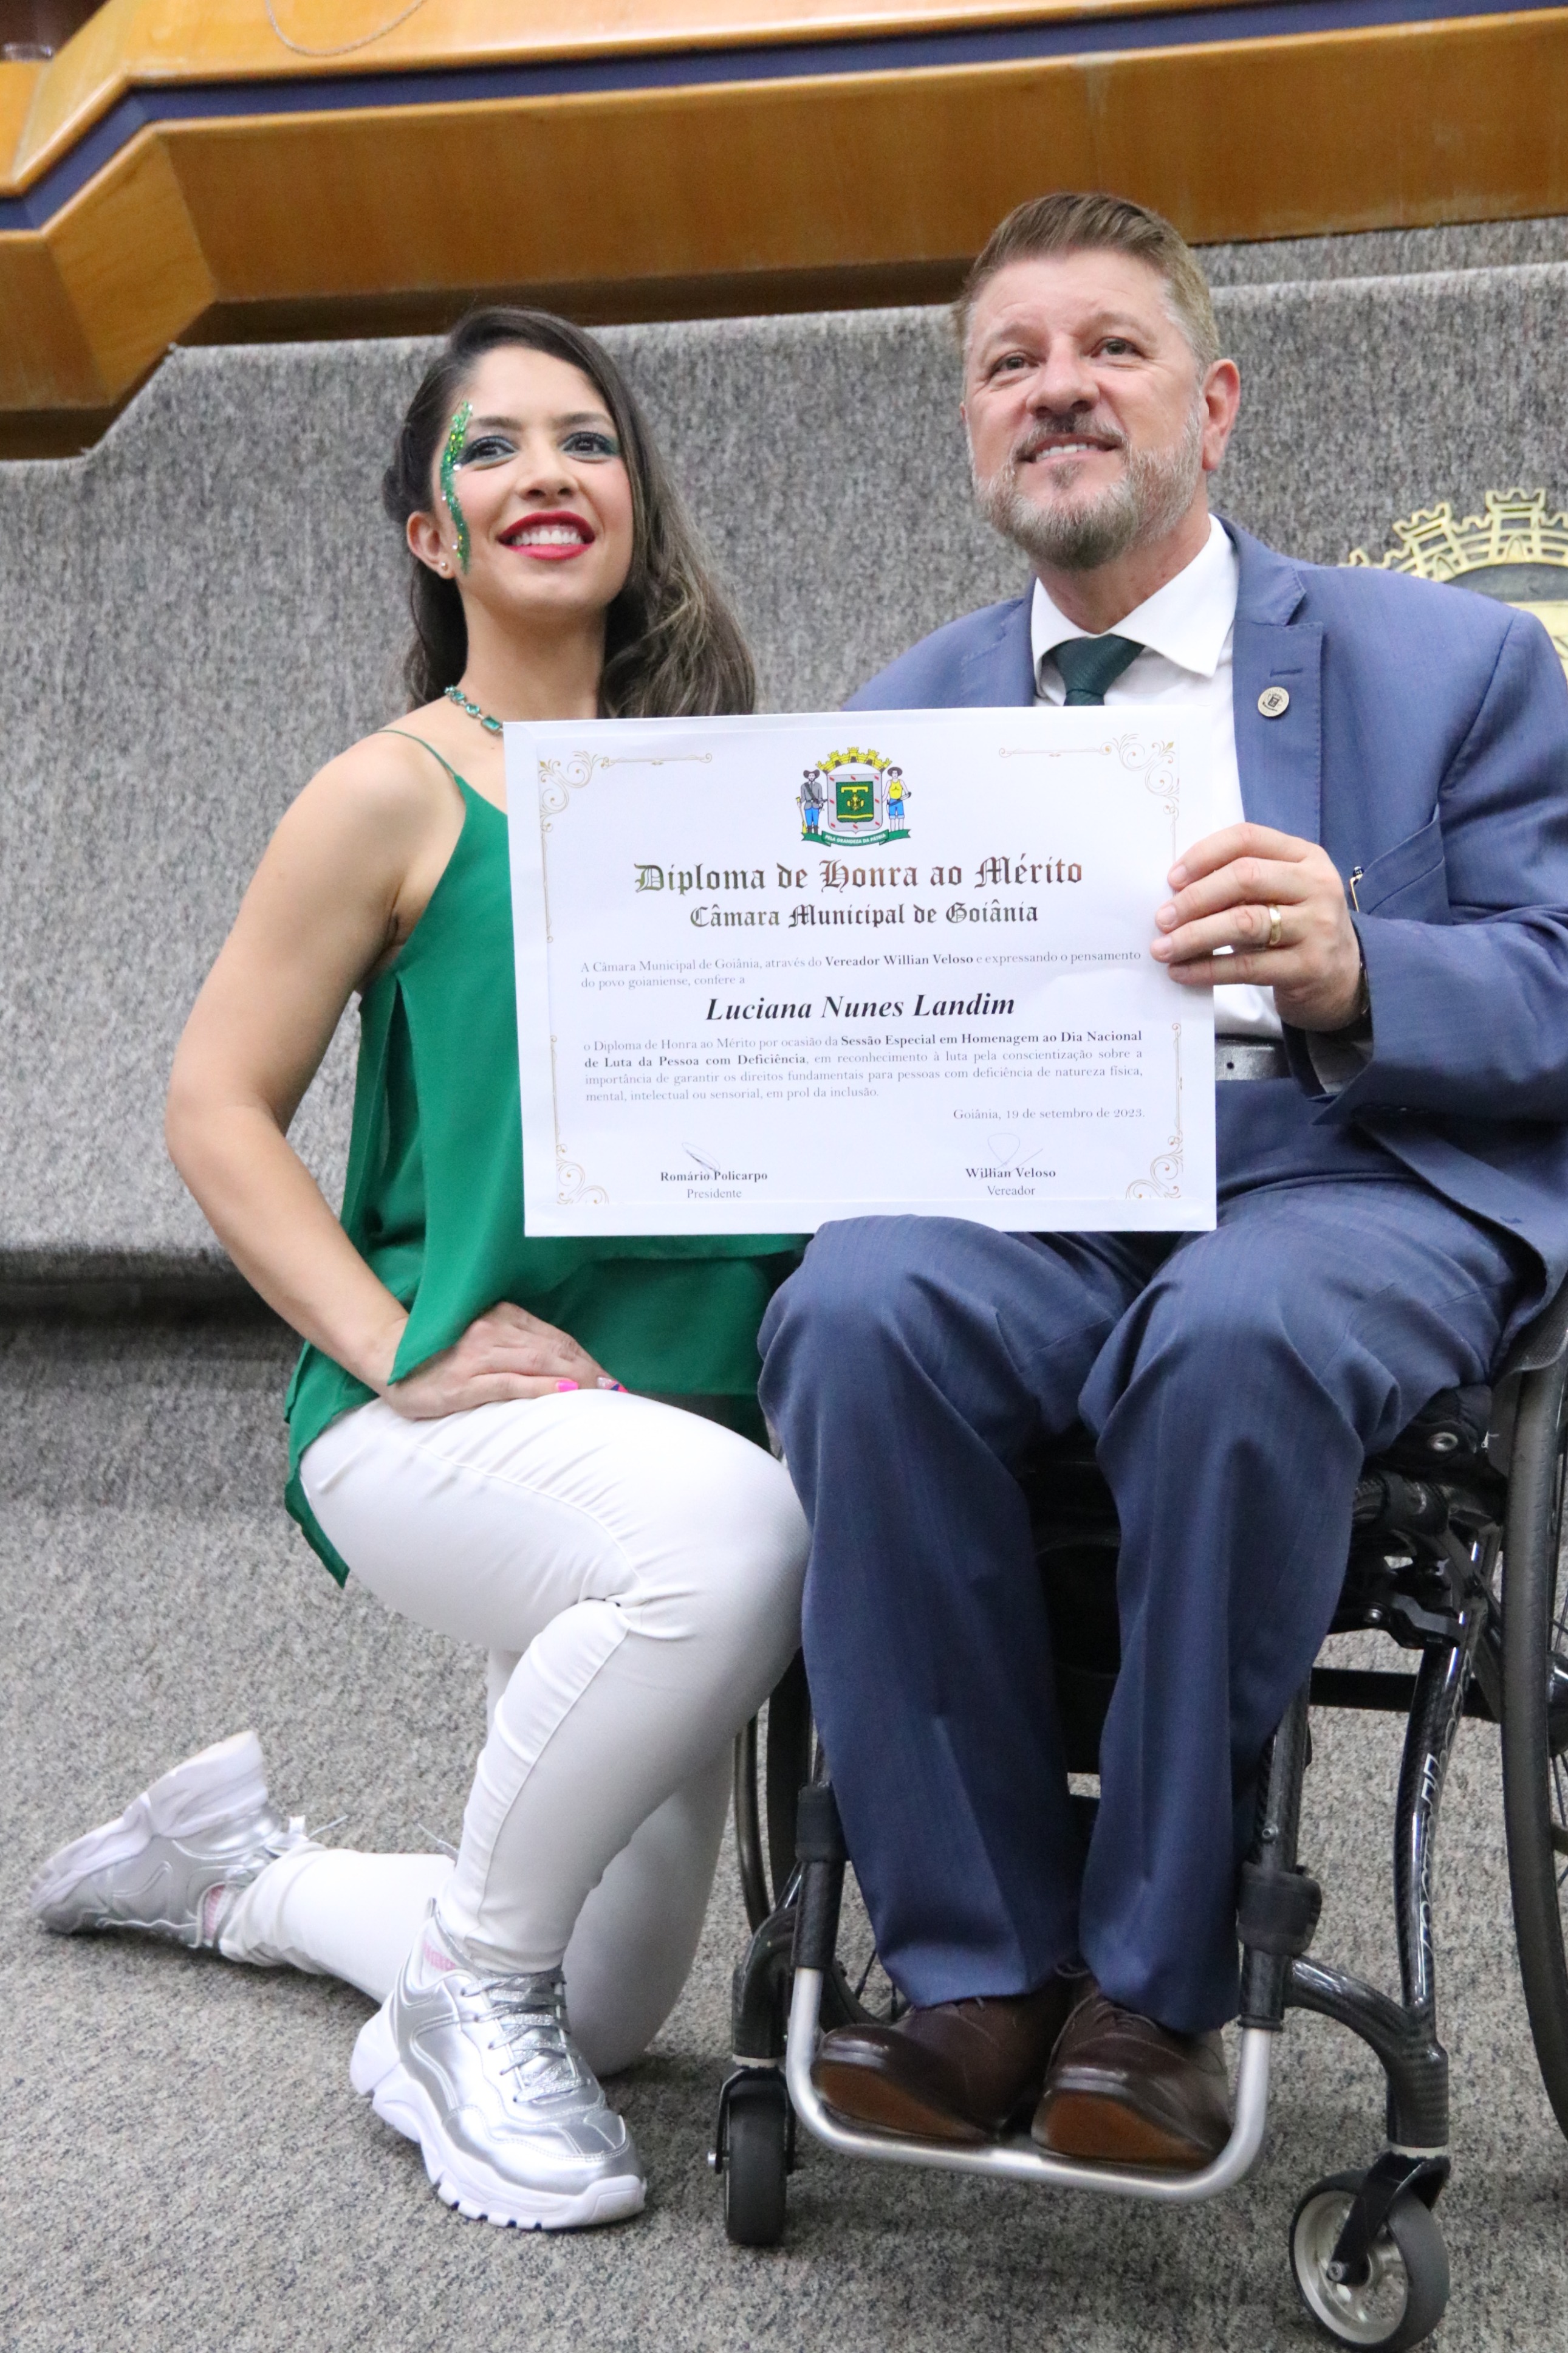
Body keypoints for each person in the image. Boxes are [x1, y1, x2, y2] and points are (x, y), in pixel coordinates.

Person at [759, 192, 1568, 2168]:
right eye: (1011, 363)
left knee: (1237, 1333)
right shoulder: (900, 720)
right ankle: (977, 1975)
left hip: (1352, 1182)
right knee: (855, 1306)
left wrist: (1365, 967)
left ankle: (1157, 1986)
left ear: (1213, 404)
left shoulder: (1452, 663)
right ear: (973, 430)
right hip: (1037, 1203)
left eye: (1110, 348)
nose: (1059, 389)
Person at [28, 309, 809, 2232]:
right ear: (430, 531)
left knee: (613, 2006)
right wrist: (393, 1344)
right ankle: (463, 2006)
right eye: (493, 447)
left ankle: (237, 1875)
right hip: (450, 1415)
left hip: (679, 1422)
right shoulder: (393, 790)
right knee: (739, 1543)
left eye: (587, 441)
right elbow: (214, 1107)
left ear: (638, 506)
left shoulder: (726, 790)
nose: (547, 472)